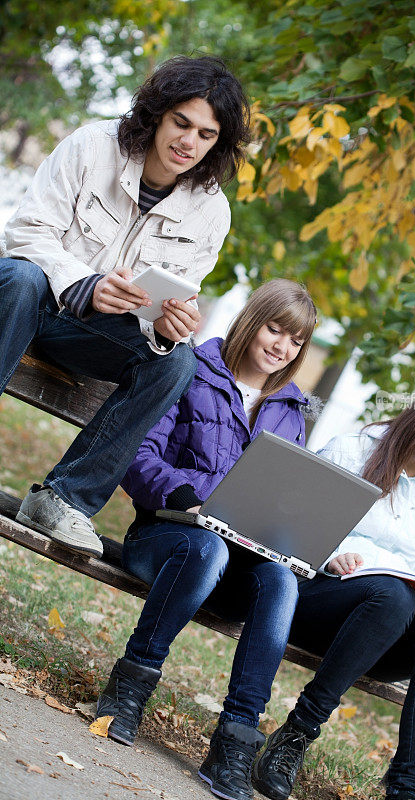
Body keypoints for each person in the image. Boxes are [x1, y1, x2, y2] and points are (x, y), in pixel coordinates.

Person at [0, 55, 250, 558]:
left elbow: (178, 296)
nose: (189, 142)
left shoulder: (212, 211)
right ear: (157, 113)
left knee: (177, 359)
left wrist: (167, 326)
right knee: (20, 277)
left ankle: (64, 498)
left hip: (93, 338)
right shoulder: (93, 147)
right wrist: (85, 285)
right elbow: (26, 234)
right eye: (182, 123)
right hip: (27, 304)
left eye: (206, 135)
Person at [96, 279, 318, 800]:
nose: (282, 347)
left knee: (281, 584)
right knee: (207, 547)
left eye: (296, 341)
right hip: (168, 538)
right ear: (250, 320)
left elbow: (286, 497)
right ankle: (129, 688)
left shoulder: (291, 410)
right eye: (275, 329)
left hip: (241, 560)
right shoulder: (192, 367)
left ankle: (235, 743)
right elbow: (138, 456)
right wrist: (192, 498)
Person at [253, 379, 415, 800]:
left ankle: (406, 789)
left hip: (385, 628)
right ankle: (297, 733)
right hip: (316, 601)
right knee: (392, 594)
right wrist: (331, 554)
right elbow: (290, 522)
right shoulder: (353, 450)